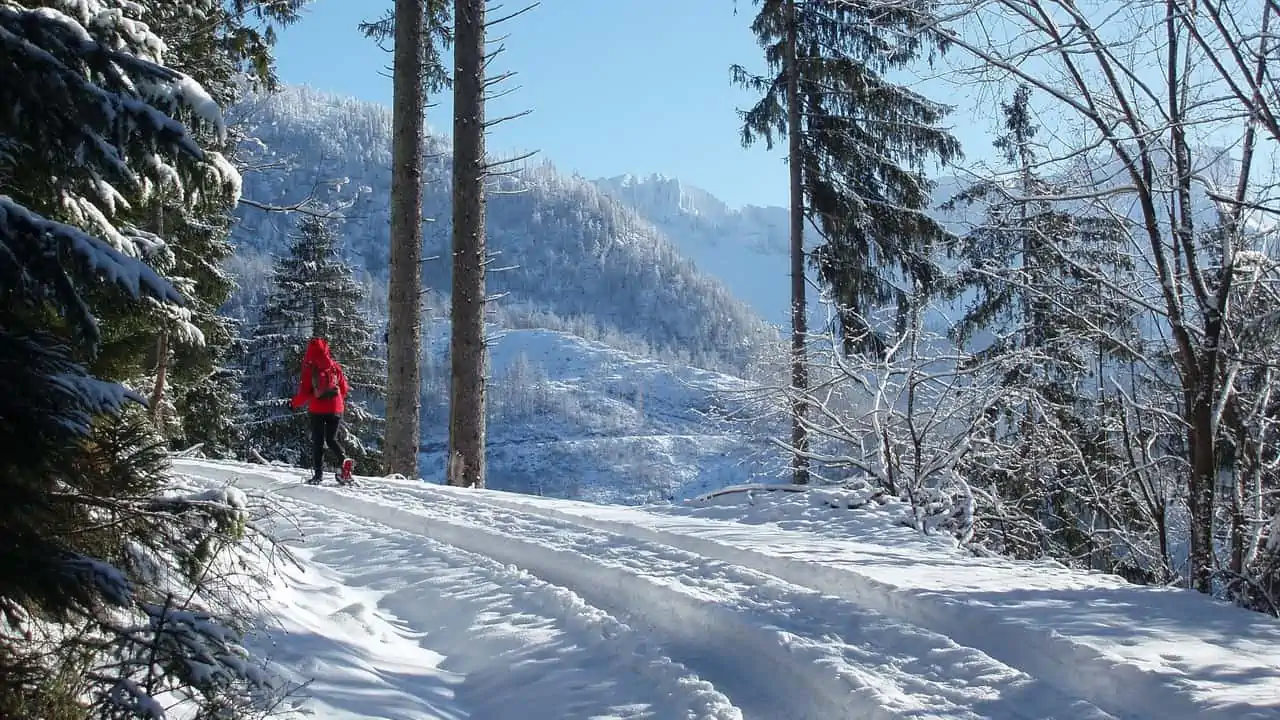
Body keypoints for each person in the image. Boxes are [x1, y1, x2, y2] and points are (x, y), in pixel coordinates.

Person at [290, 337, 354, 485]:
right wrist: (336, 402)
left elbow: (305, 393)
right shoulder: (334, 366)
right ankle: (344, 460)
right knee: (331, 439)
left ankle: (318, 476)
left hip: (317, 409)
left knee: (318, 442)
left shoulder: (310, 367)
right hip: (336, 407)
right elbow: (344, 388)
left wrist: (293, 404)